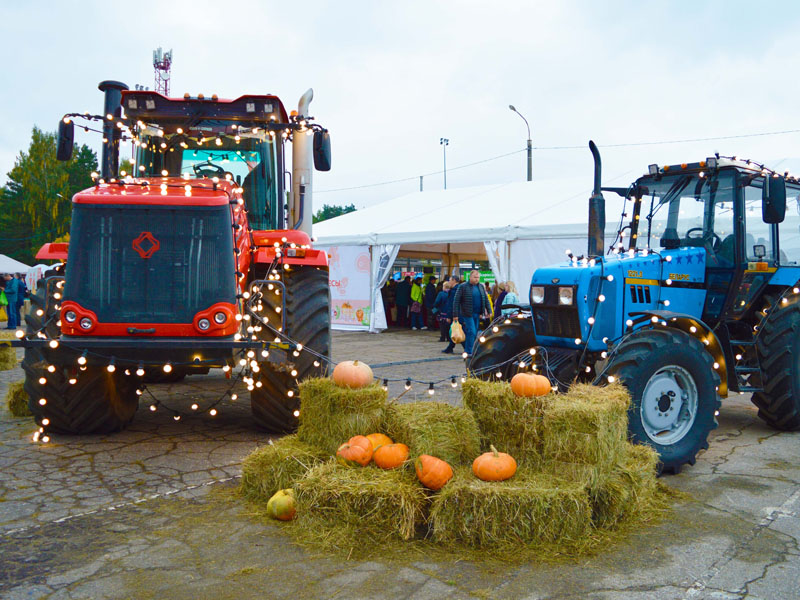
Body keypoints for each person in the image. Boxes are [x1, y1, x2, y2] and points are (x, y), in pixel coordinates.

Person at [452, 270, 491, 358]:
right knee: (471, 332)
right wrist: (455, 315)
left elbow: (485, 299)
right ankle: (469, 351)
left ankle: (471, 350)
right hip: (467, 313)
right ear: (470, 277)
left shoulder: (481, 286)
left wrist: (489, 311)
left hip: (477, 314)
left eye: (478, 277)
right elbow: (456, 301)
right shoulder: (463, 287)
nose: (477, 279)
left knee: (474, 332)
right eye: (475, 277)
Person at [441, 280, 458, 354]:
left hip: (455, 315)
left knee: (457, 331)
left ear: (454, 281)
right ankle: (450, 347)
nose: (449, 282)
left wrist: (449, 316)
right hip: (458, 314)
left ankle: (468, 348)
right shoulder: (458, 289)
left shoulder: (453, 291)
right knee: (454, 331)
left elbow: (451, 304)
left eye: (450, 280)